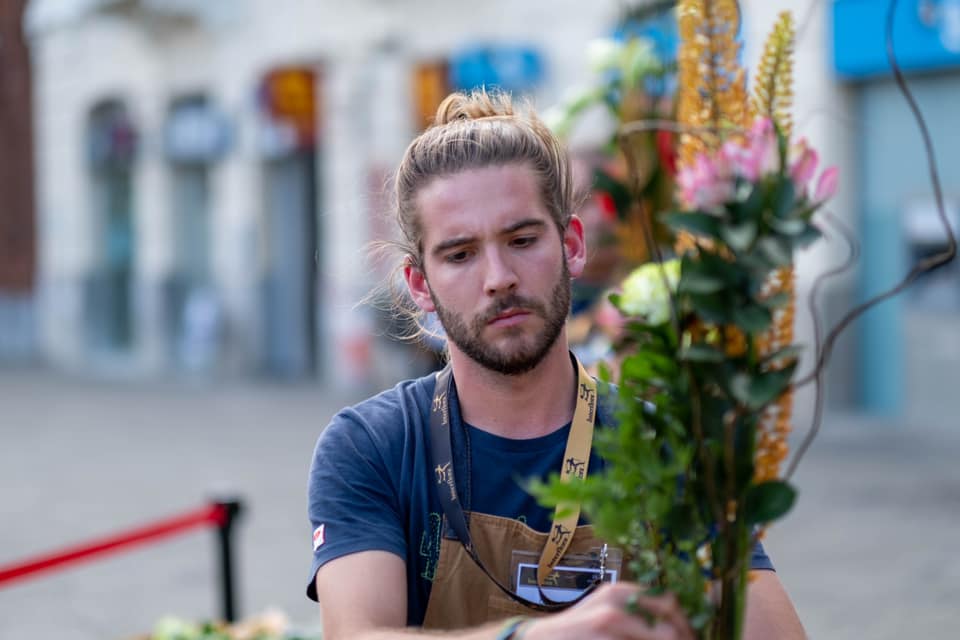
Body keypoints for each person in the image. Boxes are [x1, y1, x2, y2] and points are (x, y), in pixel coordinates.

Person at [306, 90, 806, 640]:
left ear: (572, 244)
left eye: (522, 240)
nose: (499, 276)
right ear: (420, 284)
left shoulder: (665, 442)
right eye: (460, 254)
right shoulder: (375, 446)